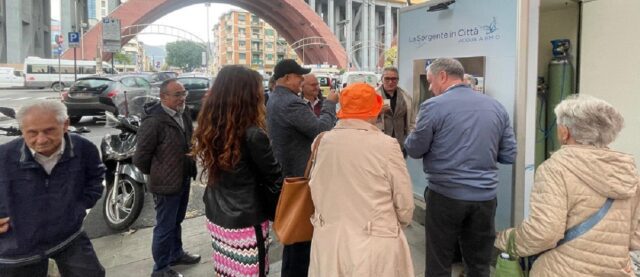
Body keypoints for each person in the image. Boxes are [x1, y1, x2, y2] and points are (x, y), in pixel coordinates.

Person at [495, 95, 640, 276]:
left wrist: (505, 239)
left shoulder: (556, 169)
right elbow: (635, 237)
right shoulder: (627, 172)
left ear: (564, 132)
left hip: (562, 270)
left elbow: (544, 233)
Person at [404, 58, 517, 277]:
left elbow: (415, 149)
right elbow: (509, 155)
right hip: (485, 199)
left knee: (439, 263)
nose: (430, 87)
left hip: (445, 196)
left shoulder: (433, 106)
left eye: (430, 81)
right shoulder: (496, 107)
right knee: (479, 265)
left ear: (443, 76)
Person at [308, 83, 415, 276]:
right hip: (374, 240)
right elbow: (404, 201)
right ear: (374, 111)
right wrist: (401, 222)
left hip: (329, 240)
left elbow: (316, 186)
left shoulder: (321, 141)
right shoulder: (387, 145)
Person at [191, 65, 283, 277]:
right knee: (252, 271)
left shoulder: (212, 125)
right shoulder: (253, 135)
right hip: (246, 220)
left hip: (217, 215)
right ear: (247, 95)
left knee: (227, 270)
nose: (262, 94)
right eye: (258, 90)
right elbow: (274, 177)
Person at [0, 100, 105, 276]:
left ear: (65, 125)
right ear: (22, 130)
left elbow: (95, 178)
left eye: (49, 131)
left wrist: (77, 208)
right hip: (17, 247)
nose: (41, 140)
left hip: (68, 235)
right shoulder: (3, 156)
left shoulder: (83, 148)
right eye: (32, 133)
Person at [266, 59, 338, 277]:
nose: (301, 81)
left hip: (290, 174)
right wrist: (331, 104)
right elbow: (321, 130)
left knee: (295, 238)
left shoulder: (276, 98)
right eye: (299, 77)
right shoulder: (290, 103)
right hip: (299, 177)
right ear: (287, 78)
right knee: (300, 238)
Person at [133, 79, 200, 277]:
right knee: (164, 225)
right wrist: (159, 172)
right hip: (165, 183)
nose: (182, 98)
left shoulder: (184, 113)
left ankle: (176, 254)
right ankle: (160, 269)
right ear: (163, 97)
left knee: (176, 221)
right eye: (177, 95)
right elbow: (141, 158)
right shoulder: (154, 121)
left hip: (183, 177)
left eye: (183, 93)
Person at [376, 66, 415, 154]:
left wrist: (411, 139)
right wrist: (377, 112)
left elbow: (412, 121)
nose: (390, 82)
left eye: (394, 79)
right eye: (387, 79)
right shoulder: (372, 96)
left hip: (400, 144)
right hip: (380, 144)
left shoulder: (406, 97)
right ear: (382, 79)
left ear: (398, 80)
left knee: (399, 167)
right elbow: (365, 120)